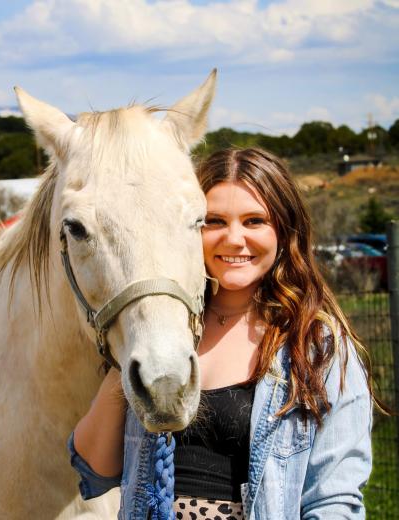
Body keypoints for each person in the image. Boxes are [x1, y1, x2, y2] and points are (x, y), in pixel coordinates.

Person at [69, 147, 375, 519]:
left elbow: (333, 502)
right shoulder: (164, 330)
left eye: (254, 221)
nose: (233, 239)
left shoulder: (317, 348)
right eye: (213, 221)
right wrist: (134, 349)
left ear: (284, 230)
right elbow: (95, 469)